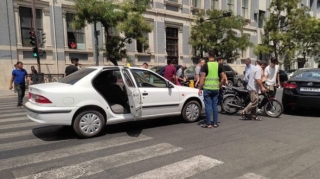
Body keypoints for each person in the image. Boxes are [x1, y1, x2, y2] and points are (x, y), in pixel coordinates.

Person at [198, 50, 226, 128]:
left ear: (208, 56)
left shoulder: (206, 65)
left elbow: (202, 78)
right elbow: (223, 78)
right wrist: (219, 85)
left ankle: (208, 123)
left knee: (208, 106)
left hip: (207, 88)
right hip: (215, 89)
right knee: (215, 106)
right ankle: (215, 123)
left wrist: (200, 88)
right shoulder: (219, 65)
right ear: (215, 57)